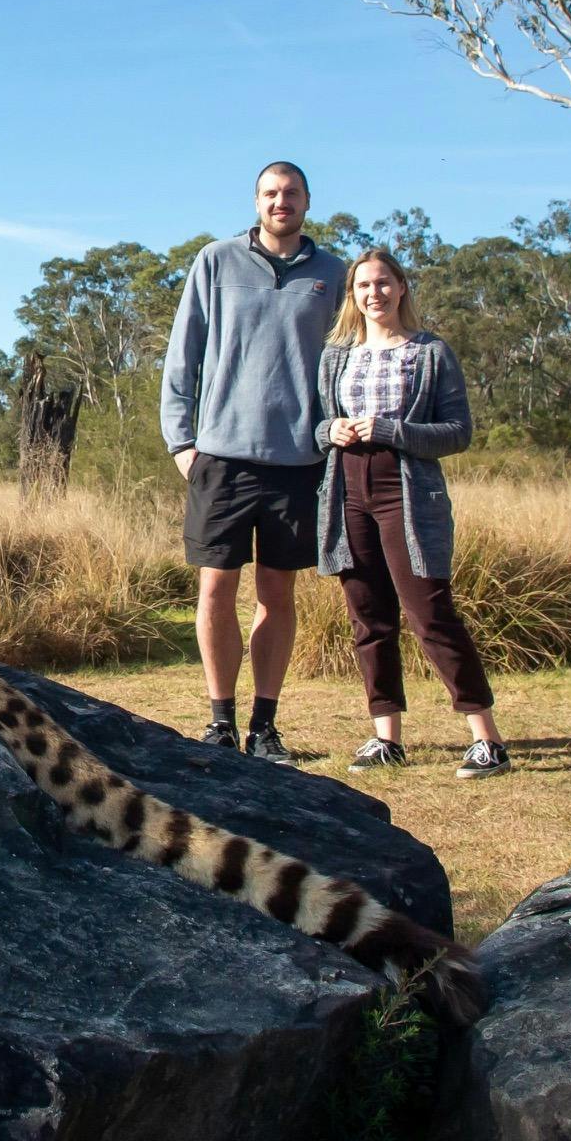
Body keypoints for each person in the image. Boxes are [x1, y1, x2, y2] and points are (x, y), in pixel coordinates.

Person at [161, 160, 348, 764]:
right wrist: (183, 444)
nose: (281, 202)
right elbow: (182, 355)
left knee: (278, 594)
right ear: (256, 201)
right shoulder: (215, 261)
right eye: (271, 193)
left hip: (297, 461)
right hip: (220, 458)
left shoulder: (334, 275)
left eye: (291, 193)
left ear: (307, 202)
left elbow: (347, 362)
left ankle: (264, 727)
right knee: (215, 589)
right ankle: (219, 722)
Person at [314, 248, 513, 779]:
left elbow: (457, 432)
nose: (373, 293)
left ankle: (486, 739)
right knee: (368, 618)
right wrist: (329, 432)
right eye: (362, 286)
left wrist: (389, 431)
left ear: (401, 289)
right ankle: (386, 737)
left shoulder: (430, 353)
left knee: (430, 613)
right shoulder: (336, 354)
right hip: (345, 491)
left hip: (406, 492)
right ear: (352, 295)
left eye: (383, 283)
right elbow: (318, 424)